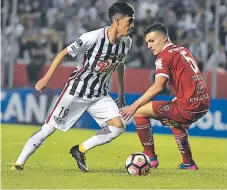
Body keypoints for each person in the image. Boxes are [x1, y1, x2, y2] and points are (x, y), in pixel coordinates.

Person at [10, 2, 135, 172]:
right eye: (130, 21)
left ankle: (80, 149)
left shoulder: (126, 42)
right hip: (76, 91)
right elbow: (63, 53)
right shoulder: (92, 38)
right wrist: (46, 78)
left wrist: (121, 94)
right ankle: (19, 163)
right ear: (117, 21)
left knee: (118, 127)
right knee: (48, 130)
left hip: (99, 95)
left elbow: (120, 65)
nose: (132, 26)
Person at [121, 23, 210, 170]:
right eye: (147, 42)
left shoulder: (163, 57)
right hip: (204, 102)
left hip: (188, 105)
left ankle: (150, 157)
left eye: (152, 41)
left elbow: (158, 86)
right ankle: (188, 164)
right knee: (173, 121)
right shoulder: (183, 50)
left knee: (140, 112)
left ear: (164, 38)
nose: (149, 46)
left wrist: (133, 106)